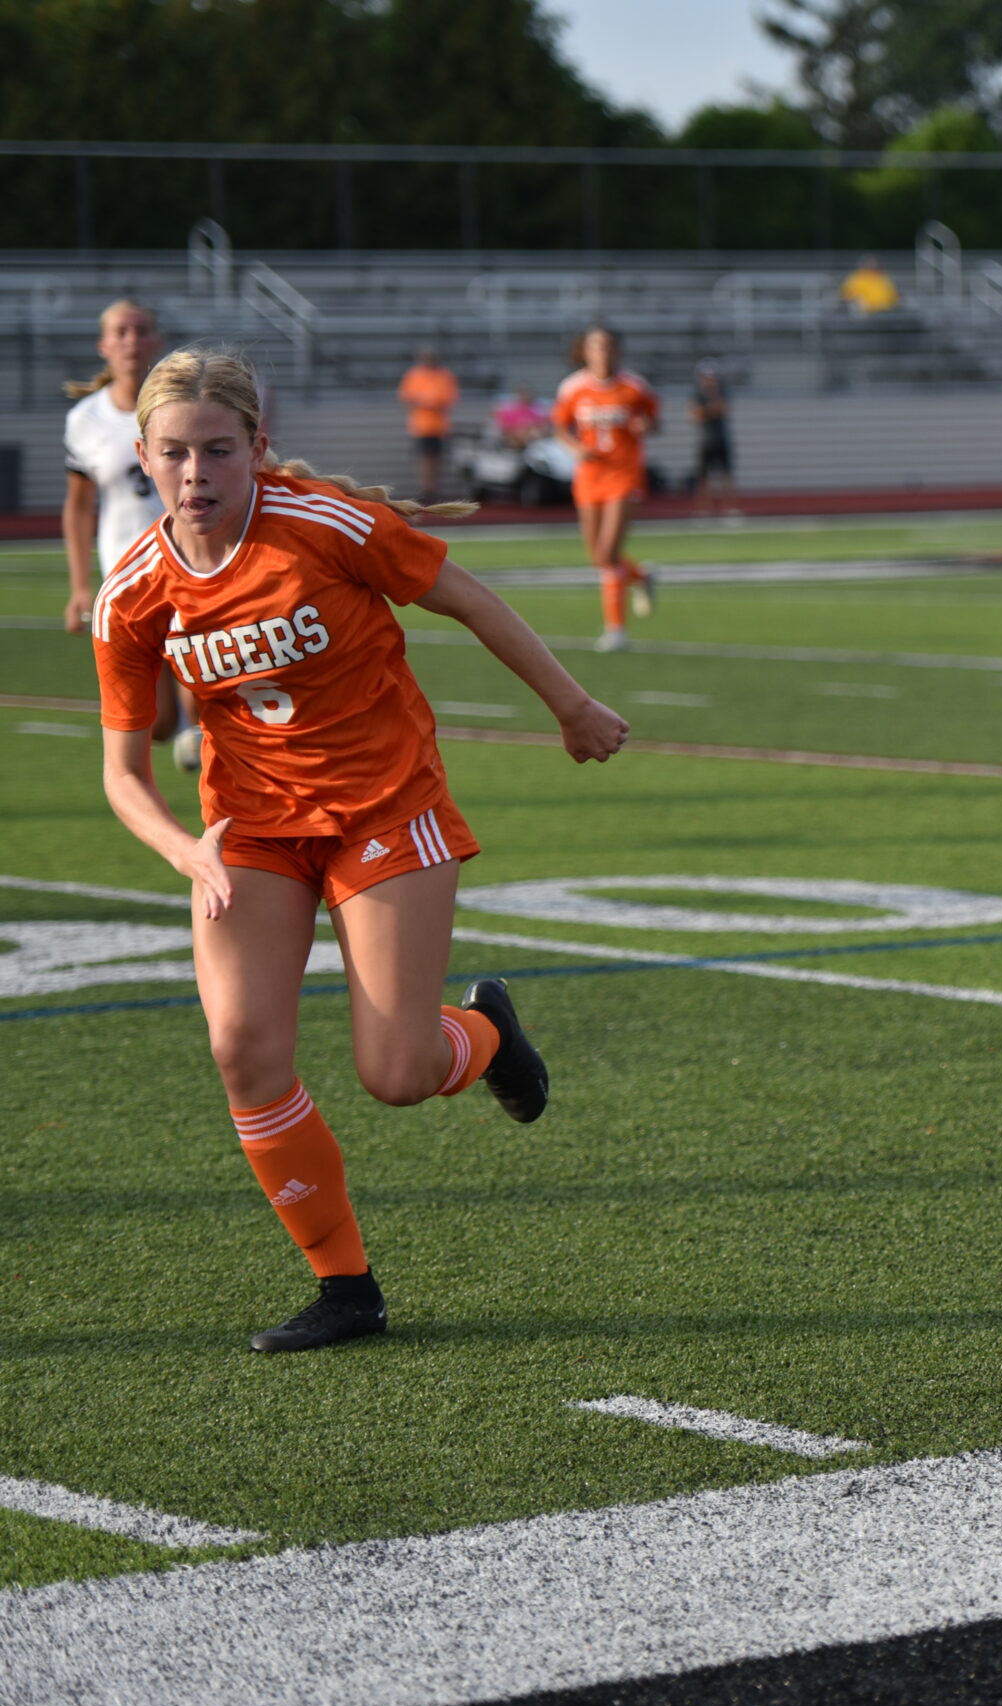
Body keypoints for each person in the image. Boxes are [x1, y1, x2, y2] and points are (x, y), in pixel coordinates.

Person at [90, 347, 629, 1351]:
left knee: (396, 1069)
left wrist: (572, 704)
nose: (197, 474)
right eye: (174, 454)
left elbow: (466, 597)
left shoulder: (322, 527)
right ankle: (345, 1287)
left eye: (217, 450)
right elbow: (122, 772)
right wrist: (183, 851)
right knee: (241, 1045)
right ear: (143, 456)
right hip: (247, 831)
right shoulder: (134, 593)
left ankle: (487, 1035)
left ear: (256, 446)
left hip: (385, 808)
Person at [62, 297, 196, 769]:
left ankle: (206, 732)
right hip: (127, 574)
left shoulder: (183, 406)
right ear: (104, 345)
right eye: (120, 331)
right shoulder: (85, 420)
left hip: (190, 561)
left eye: (141, 330)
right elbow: (79, 508)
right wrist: (81, 586)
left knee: (198, 671)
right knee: (156, 724)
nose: (131, 340)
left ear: (158, 341)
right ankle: (187, 726)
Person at [553, 324, 659, 652]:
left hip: (624, 474)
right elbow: (560, 426)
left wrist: (645, 425)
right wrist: (575, 447)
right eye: (596, 346)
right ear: (584, 351)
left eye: (608, 345)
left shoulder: (634, 386)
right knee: (597, 555)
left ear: (618, 350)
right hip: (589, 476)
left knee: (607, 553)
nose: (603, 352)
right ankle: (640, 576)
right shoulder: (573, 387)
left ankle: (616, 630)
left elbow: (654, 419)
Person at [397, 348, 459, 505]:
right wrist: (425, 402)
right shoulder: (414, 375)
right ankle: (426, 489)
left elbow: (449, 397)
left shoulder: (444, 375)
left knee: (436, 459)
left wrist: (433, 403)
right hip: (421, 425)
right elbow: (406, 396)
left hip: (439, 425)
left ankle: (433, 489)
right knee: (425, 458)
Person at [690, 361, 738, 516]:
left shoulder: (722, 392)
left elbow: (723, 409)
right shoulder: (698, 395)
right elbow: (695, 414)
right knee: (704, 475)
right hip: (705, 439)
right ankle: (704, 508)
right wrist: (710, 410)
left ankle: (729, 507)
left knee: (726, 474)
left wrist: (706, 411)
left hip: (721, 438)